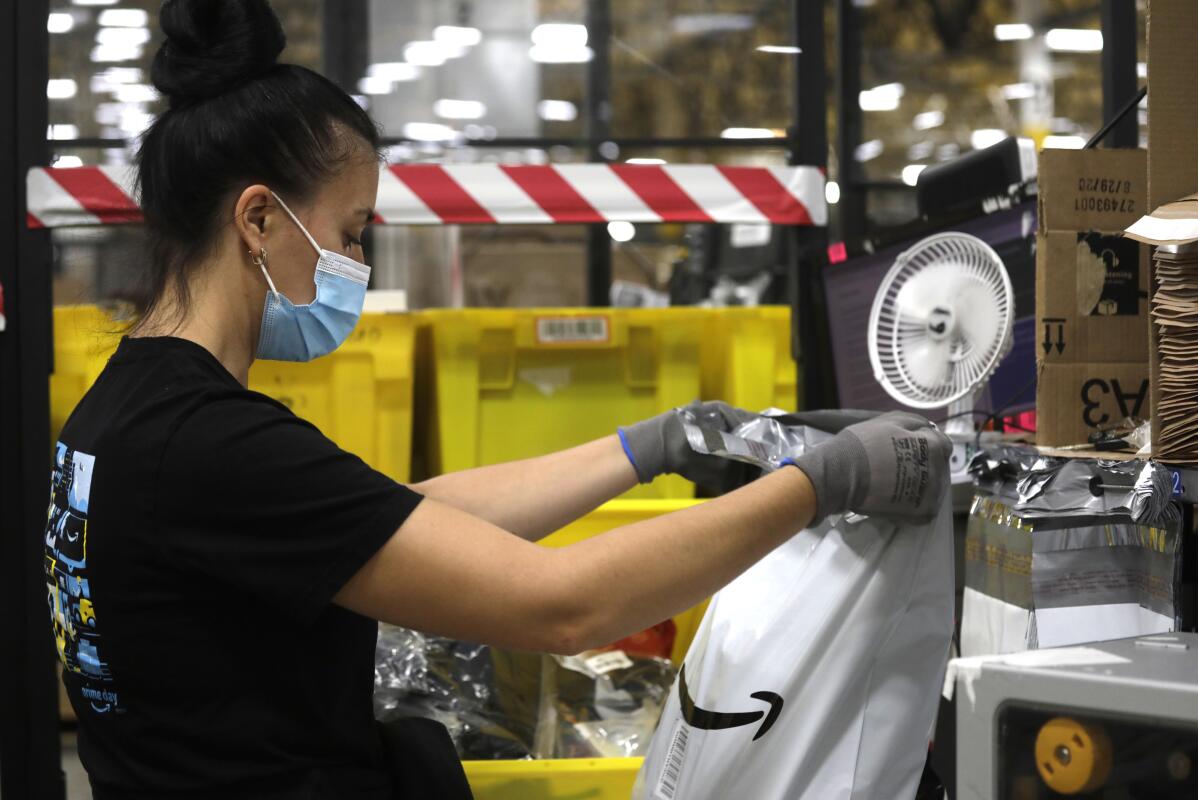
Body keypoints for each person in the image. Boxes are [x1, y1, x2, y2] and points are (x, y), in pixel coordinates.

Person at [43, 1, 953, 798]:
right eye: (350, 232)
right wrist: (820, 485)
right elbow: (565, 607)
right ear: (257, 219)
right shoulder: (210, 442)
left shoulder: (125, 410)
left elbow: (389, 522)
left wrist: (657, 443)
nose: (355, 264)